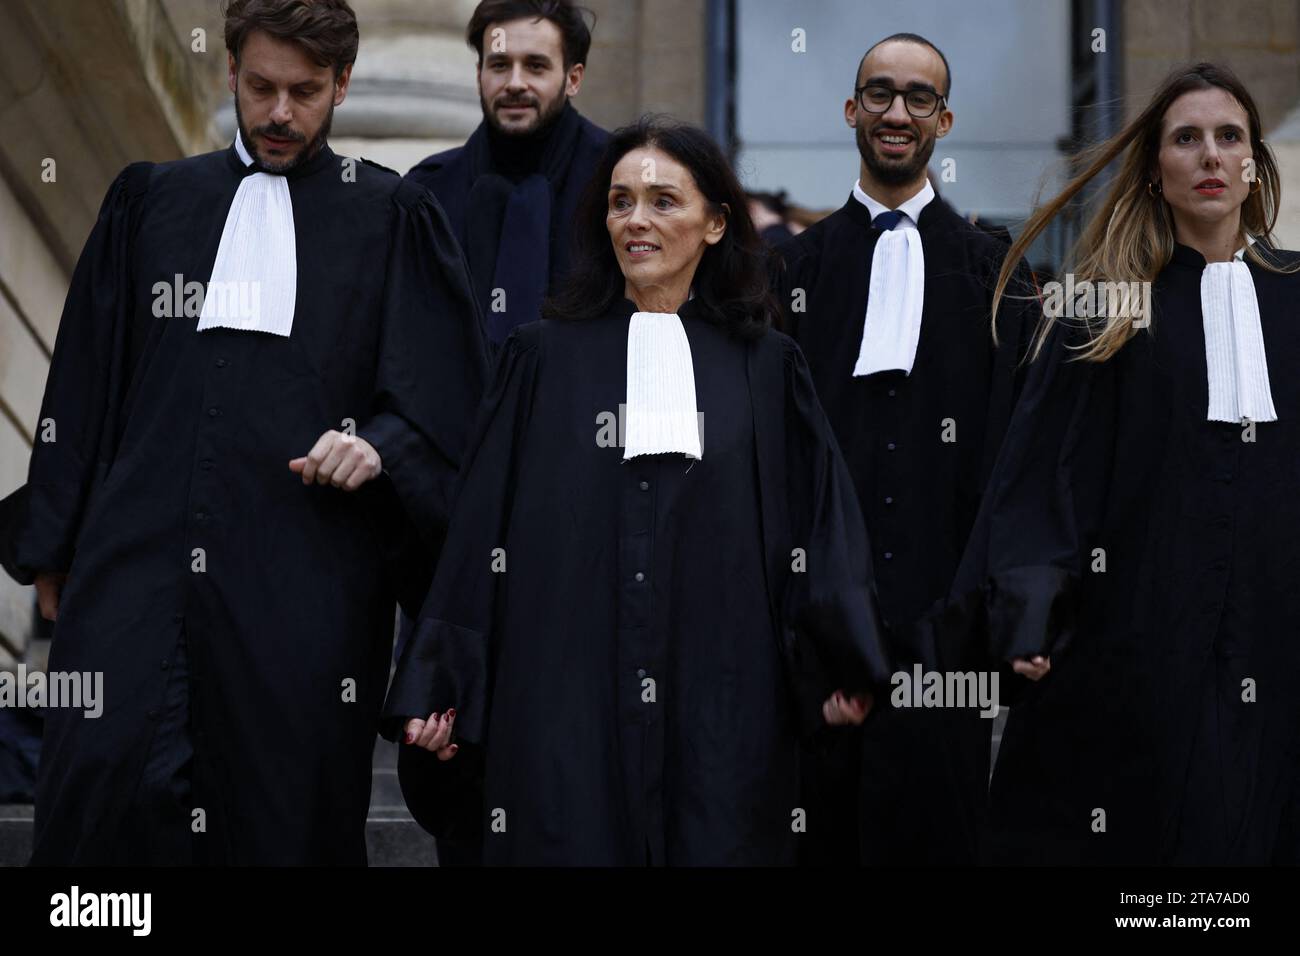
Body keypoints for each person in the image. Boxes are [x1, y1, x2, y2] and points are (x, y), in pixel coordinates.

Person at [0, 0, 486, 864]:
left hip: (304, 584)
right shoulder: (151, 201)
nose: (278, 114)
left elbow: (442, 409)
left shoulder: (388, 218)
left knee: (279, 811)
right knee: (103, 795)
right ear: (229, 71)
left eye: (305, 92)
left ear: (343, 85)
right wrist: (51, 544)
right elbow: (83, 383)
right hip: (134, 566)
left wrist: (378, 446)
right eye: (260, 86)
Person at [382, 117, 890, 866]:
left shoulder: (768, 368)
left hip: (721, 691)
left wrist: (836, 662)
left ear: (716, 223)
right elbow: (478, 532)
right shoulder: (538, 358)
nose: (636, 220)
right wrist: (444, 683)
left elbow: (819, 529)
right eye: (621, 201)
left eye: (662, 200)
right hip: (562, 687)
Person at [958, 61, 1300, 865]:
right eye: (1186, 139)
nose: (1210, 156)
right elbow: (1044, 474)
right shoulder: (1103, 309)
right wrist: (1029, 606)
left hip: (1278, 638)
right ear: (1155, 166)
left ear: (1255, 165)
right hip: (1136, 640)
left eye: (1229, 138)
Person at [771, 33, 1040, 866]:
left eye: (918, 97)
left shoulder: (1000, 277)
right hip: (817, 651)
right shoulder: (787, 270)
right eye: (879, 94)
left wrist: (980, 631)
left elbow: (1015, 471)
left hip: (947, 650)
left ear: (945, 119)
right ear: (852, 111)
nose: (897, 111)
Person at [407, 0, 609, 347]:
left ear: (573, 78)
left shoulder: (618, 181)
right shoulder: (428, 190)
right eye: (500, 65)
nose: (515, 83)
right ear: (479, 75)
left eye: (535, 66)